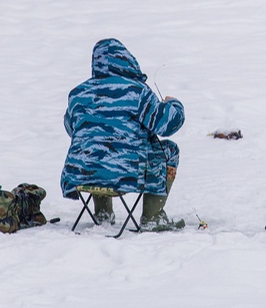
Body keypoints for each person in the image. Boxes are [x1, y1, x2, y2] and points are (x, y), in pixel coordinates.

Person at [61, 38, 186, 231]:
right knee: (170, 150)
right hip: (127, 172)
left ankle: (102, 214)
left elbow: (71, 129)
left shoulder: (78, 94)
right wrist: (173, 104)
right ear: (127, 61)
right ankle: (152, 216)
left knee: (98, 151)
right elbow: (166, 125)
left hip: (82, 173)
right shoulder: (137, 92)